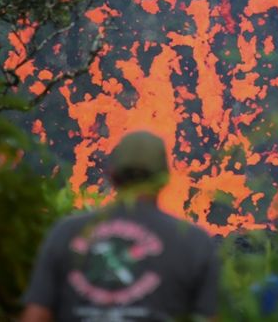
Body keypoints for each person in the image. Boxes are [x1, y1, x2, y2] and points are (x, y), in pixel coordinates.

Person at [20, 131, 219, 322]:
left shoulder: (65, 233)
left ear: (111, 174)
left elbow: (36, 316)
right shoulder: (193, 241)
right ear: (165, 179)